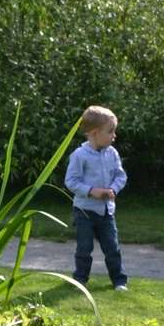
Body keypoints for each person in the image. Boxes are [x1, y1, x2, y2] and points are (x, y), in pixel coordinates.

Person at [64, 105, 129, 291]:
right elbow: (71, 181)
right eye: (110, 131)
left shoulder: (112, 153)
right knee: (84, 248)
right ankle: (80, 280)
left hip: (107, 211)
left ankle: (119, 281)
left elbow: (120, 176)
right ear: (94, 133)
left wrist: (113, 190)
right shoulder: (79, 155)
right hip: (84, 210)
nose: (114, 136)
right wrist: (92, 190)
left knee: (112, 248)